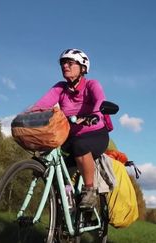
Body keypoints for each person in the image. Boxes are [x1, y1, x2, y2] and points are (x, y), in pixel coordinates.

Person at [29, 48, 109, 209]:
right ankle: (65, 200)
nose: (65, 66)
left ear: (83, 68)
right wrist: (28, 117)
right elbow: (41, 105)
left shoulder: (92, 85)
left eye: (70, 63)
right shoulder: (60, 88)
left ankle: (89, 190)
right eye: (63, 63)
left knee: (80, 146)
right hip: (69, 137)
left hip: (95, 134)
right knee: (47, 158)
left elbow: (100, 101)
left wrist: (93, 115)